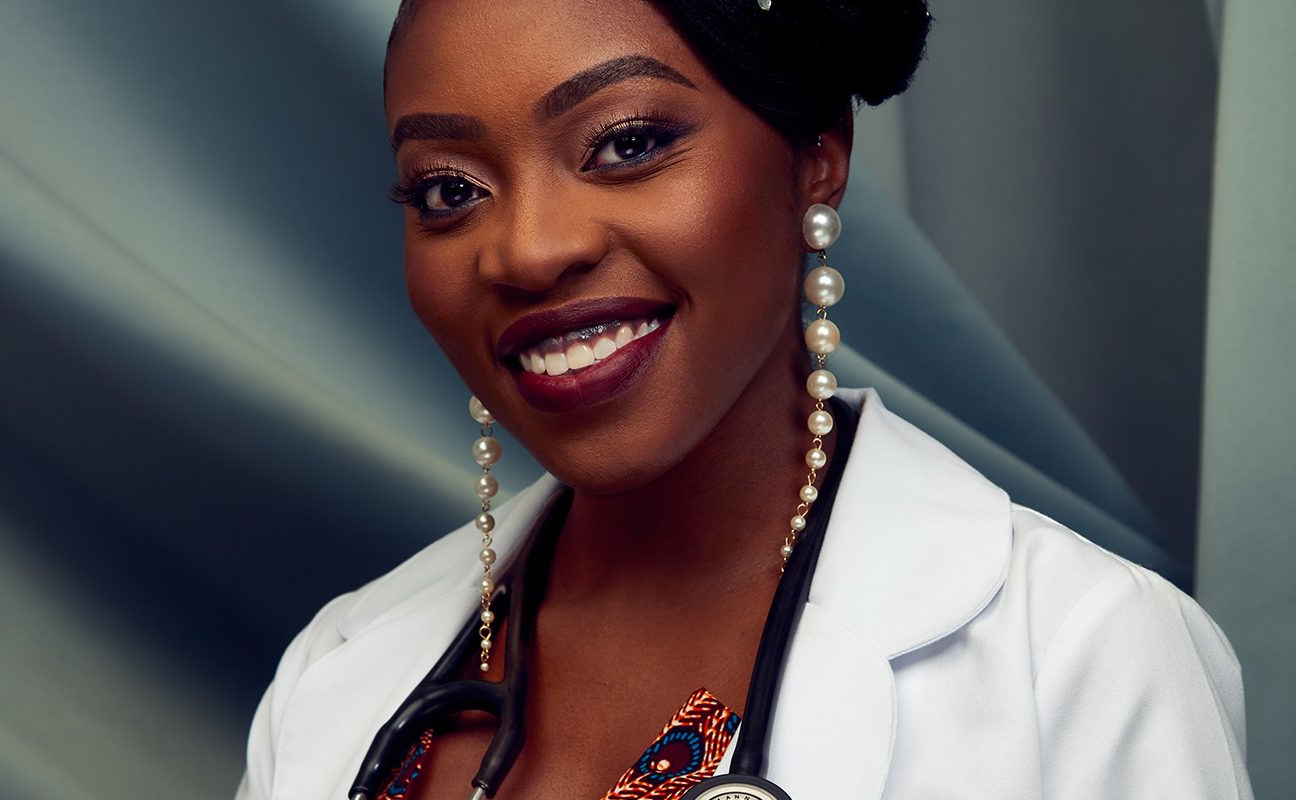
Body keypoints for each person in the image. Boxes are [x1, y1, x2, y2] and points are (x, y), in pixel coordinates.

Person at [236, 1, 1252, 798]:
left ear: (816, 152)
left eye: (626, 141)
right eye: (449, 189)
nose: (529, 249)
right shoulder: (340, 667)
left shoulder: (1078, 656)